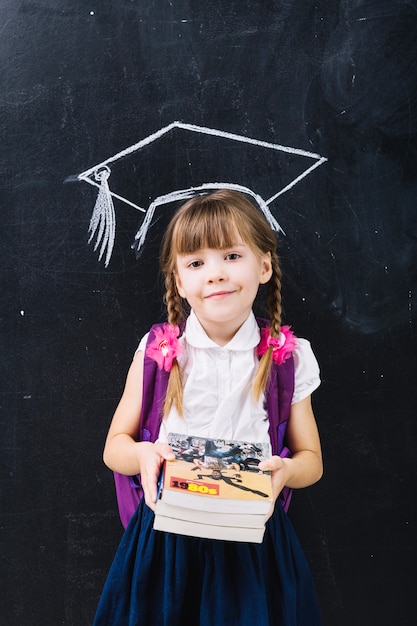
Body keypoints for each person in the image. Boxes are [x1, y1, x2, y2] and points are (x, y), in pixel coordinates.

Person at [93, 189, 323, 625]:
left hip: (253, 542)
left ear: (264, 266)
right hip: (167, 544)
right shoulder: (159, 350)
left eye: (231, 256)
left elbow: (311, 459)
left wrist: (286, 472)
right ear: (180, 281)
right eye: (196, 263)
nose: (214, 274)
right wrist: (143, 454)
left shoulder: (288, 356)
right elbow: (113, 447)